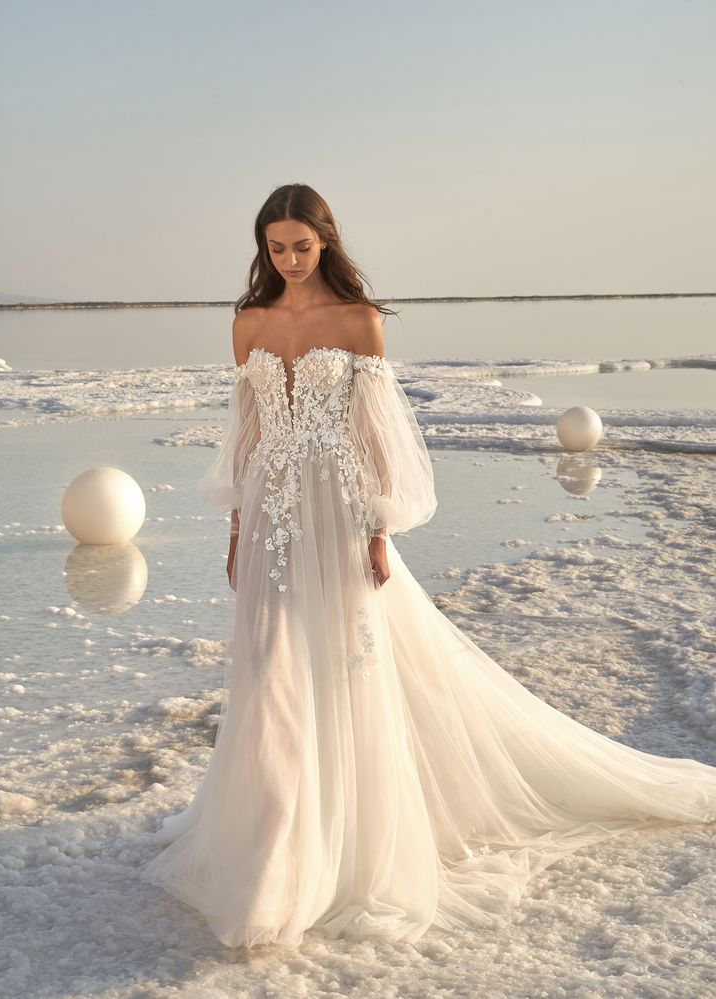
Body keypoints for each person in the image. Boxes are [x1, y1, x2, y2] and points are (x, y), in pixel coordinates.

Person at [141, 183, 716, 949]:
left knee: (345, 671)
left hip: (340, 511)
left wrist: (380, 526)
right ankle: (275, 862)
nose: (288, 260)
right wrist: (239, 527)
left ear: (326, 241)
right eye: (276, 248)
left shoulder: (358, 320)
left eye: (301, 247)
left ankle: (336, 846)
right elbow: (246, 432)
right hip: (275, 514)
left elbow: (378, 432)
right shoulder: (247, 323)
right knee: (271, 674)